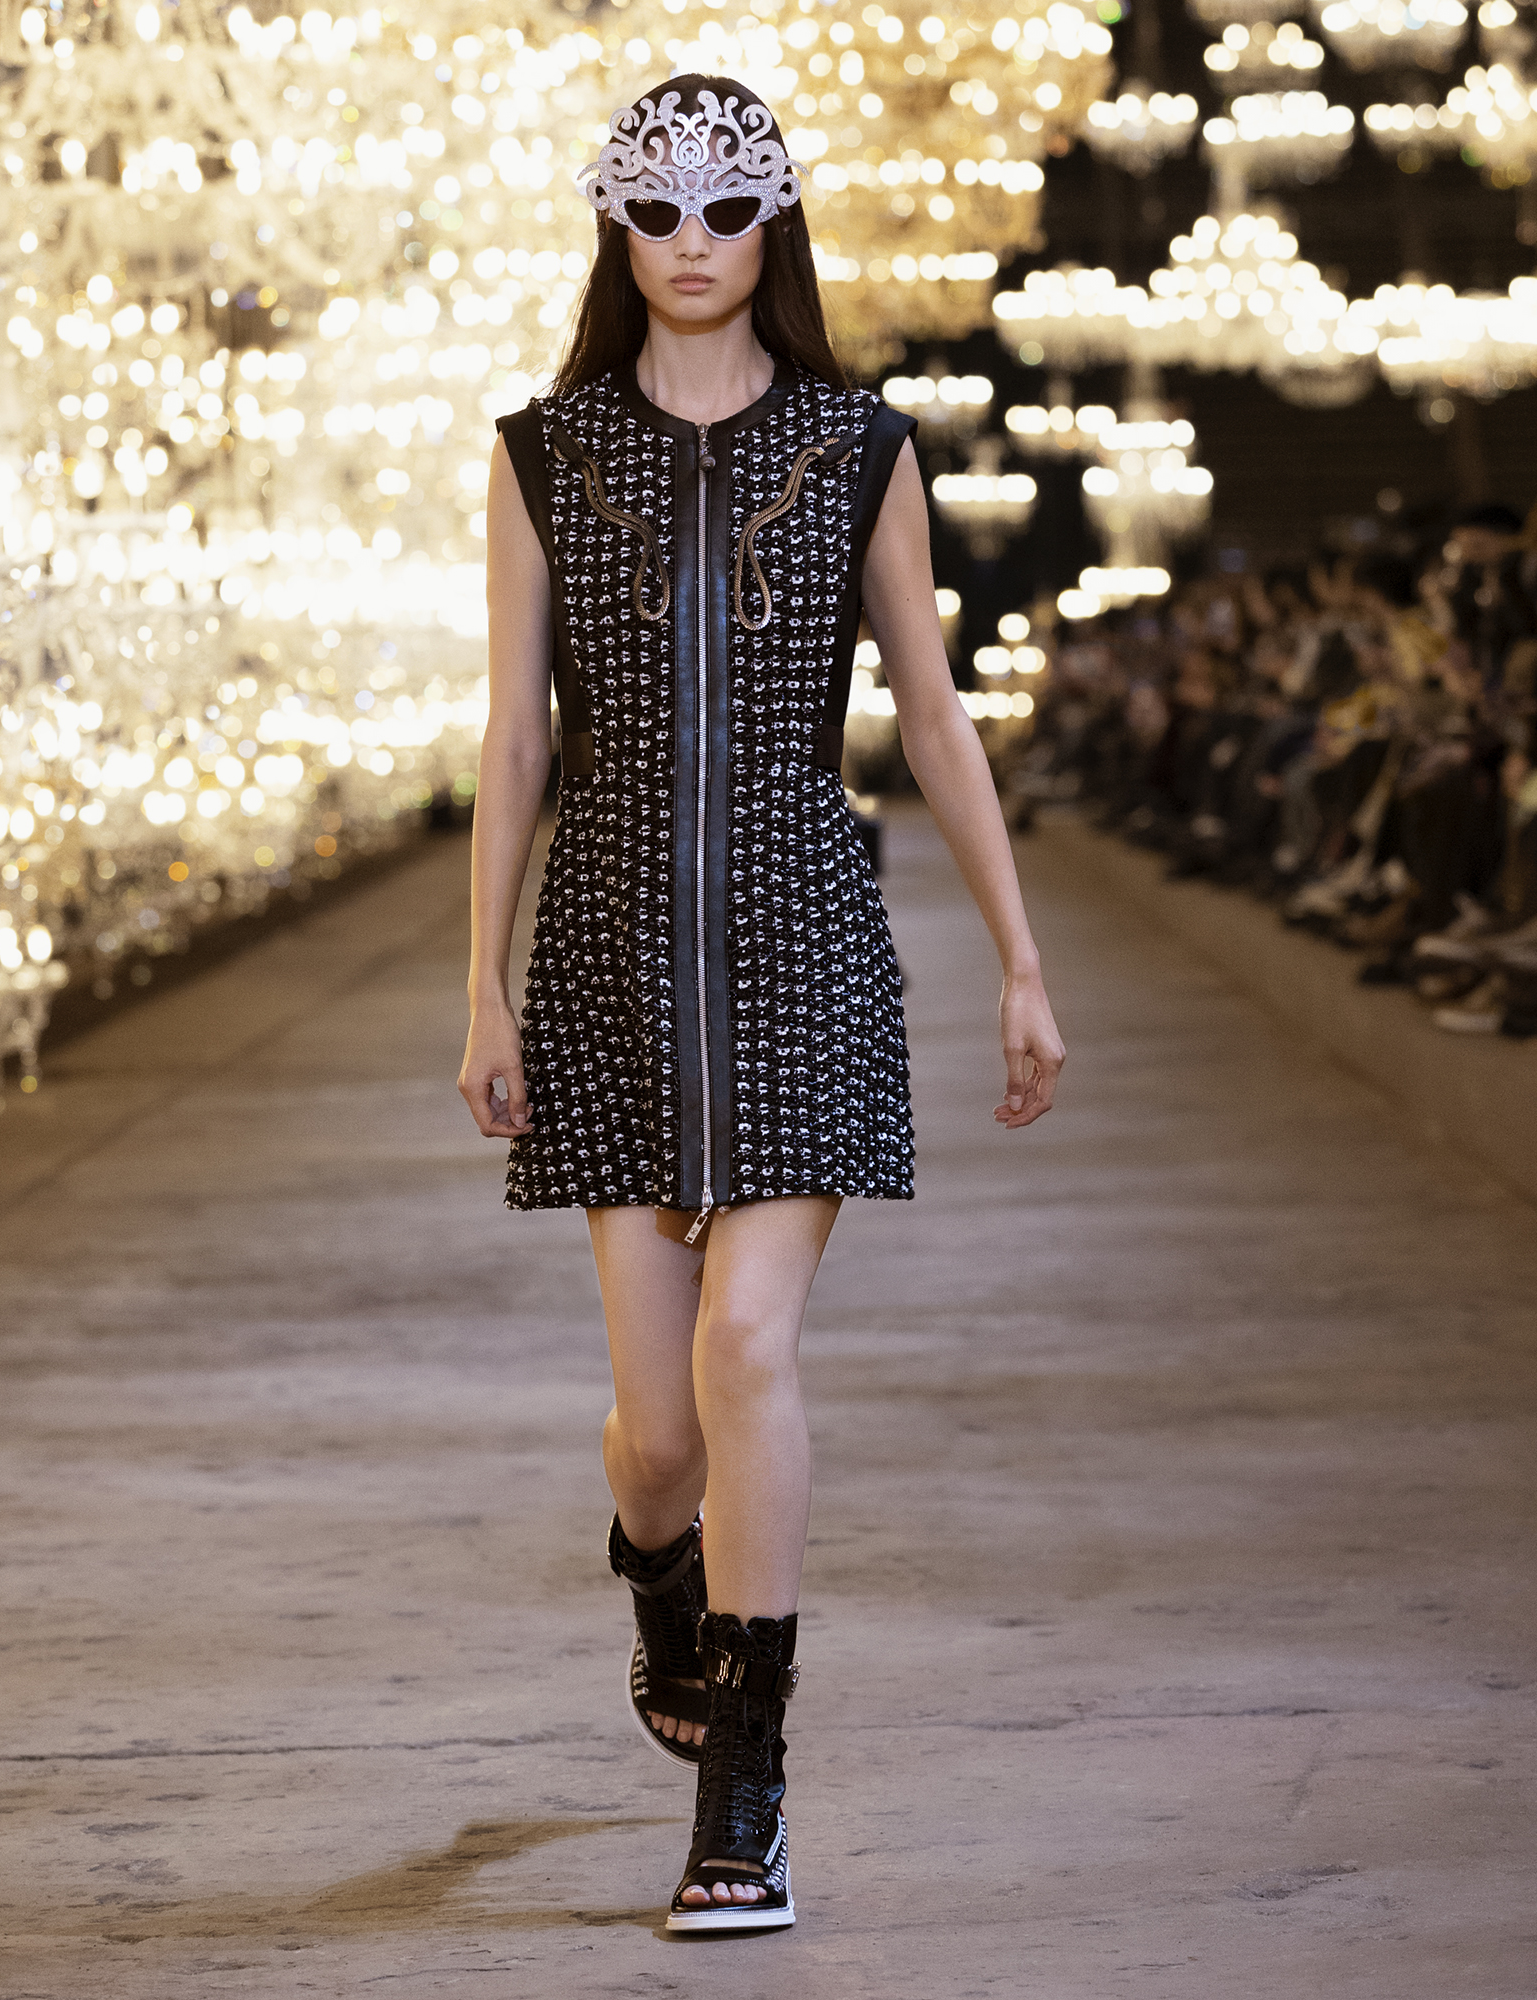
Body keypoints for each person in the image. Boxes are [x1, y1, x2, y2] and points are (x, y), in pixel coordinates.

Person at [457, 76, 1065, 1934]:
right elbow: (515, 736)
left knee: (748, 1353)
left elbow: (934, 713)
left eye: (730, 208)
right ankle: (660, 1574)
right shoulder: (542, 451)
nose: (695, 242)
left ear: (776, 223)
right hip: (607, 946)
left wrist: (1022, 959)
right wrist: (480, 987)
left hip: (805, 933)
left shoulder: (859, 442)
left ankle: (748, 1787)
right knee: (658, 1440)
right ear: (616, 228)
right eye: (659, 210)